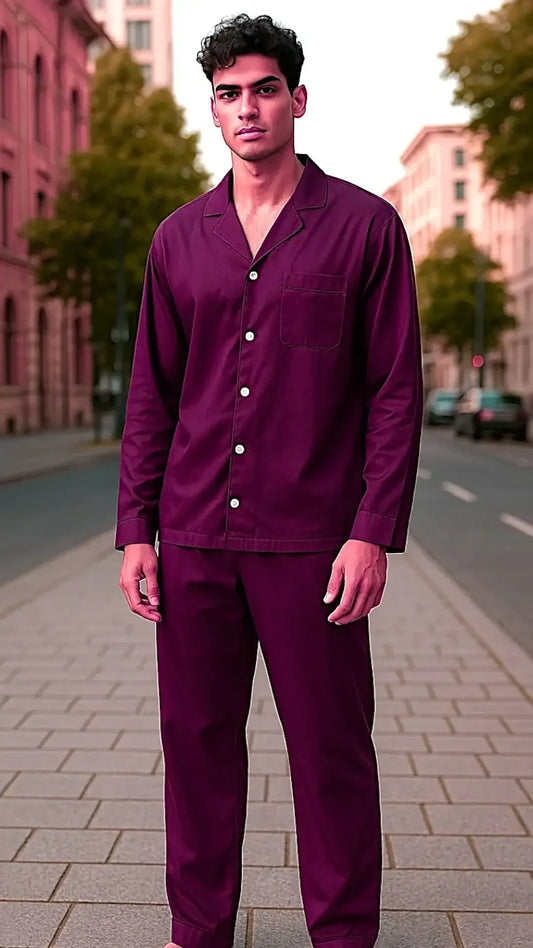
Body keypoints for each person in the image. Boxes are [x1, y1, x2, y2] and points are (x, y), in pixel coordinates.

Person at [116, 13, 423, 948]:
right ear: (211, 108)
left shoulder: (365, 228)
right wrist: (136, 530)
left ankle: (341, 935)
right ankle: (197, 931)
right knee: (197, 753)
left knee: (330, 759)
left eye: (261, 89)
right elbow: (150, 395)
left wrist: (372, 529)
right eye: (226, 93)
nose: (245, 108)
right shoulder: (179, 239)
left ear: (297, 97)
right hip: (197, 538)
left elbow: (394, 391)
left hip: (314, 546)